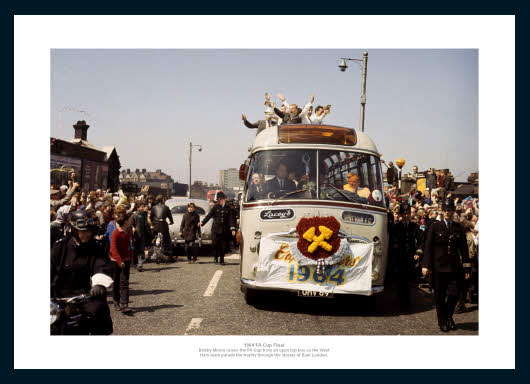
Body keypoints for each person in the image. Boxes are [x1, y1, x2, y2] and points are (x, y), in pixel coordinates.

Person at [50, 210, 114, 334]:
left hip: (85, 296)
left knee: (98, 313)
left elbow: (101, 265)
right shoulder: (60, 247)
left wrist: (99, 283)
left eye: (89, 231)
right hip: (59, 298)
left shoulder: (96, 248)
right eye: (83, 231)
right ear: (74, 230)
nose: (87, 234)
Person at [422, 197, 471, 332]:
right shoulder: (435, 226)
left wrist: (467, 266)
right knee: (440, 295)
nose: (448, 212)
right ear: (441, 211)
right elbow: (428, 247)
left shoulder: (458, 227)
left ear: (453, 211)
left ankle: (448, 316)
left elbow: (464, 248)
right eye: (445, 210)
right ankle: (442, 321)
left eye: (450, 210)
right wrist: (426, 265)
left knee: (455, 293)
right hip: (439, 267)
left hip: (454, 267)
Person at [391, 202, 424, 308]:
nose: (406, 215)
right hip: (399, 258)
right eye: (404, 213)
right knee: (400, 281)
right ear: (400, 214)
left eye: (408, 213)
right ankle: (401, 302)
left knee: (409, 281)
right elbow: (392, 243)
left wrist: (418, 252)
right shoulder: (395, 227)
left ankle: (407, 301)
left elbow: (422, 241)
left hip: (410, 258)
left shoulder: (414, 226)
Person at [199, 191, 236, 265]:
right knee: (214, 244)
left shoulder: (228, 208)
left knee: (223, 245)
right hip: (215, 229)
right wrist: (202, 222)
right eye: (218, 200)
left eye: (220, 200)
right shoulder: (215, 207)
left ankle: (222, 259)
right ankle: (215, 257)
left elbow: (231, 218)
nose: (218, 201)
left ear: (223, 199)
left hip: (224, 230)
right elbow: (209, 215)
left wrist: (232, 228)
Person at [110, 206, 133, 313]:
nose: (130, 222)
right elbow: (113, 249)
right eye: (129, 220)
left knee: (125, 282)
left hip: (126, 260)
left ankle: (125, 304)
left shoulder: (128, 231)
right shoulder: (116, 233)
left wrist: (129, 257)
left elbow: (129, 245)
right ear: (125, 222)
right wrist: (120, 261)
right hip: (116, 261)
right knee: (116, 282)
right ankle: (115, 301)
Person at [150, 194, 174, 261]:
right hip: (163, 225)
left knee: (154, 238)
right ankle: (169, 255)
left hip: (156, 225)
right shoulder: (166, 207)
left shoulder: (153, 207)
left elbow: (151, 217)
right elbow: (170, 217)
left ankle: (154, 252)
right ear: (163, 200)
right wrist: (171, 222)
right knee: (167, 240)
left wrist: (153, 223)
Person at [131, 201, 150, 272]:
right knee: (137, 250)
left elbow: (146, 224)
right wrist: (133, 228)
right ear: (138, 208)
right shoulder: (134, 215)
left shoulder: (144, 214)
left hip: (142, 235)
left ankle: (140, 265)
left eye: (143, 207)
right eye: (142, 207)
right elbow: (131, 223)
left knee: (141, 250)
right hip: (136, 235)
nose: (143, 208)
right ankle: (136, 264)